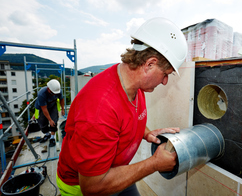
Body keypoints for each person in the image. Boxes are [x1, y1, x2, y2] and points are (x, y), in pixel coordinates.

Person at [56, 17, 188, 195]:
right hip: (86, 185)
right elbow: (93, 186)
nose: (165, 82)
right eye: (165, 74)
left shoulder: (135, 85)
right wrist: (154, 164)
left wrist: (147, 133)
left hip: (116, 171)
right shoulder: (99, 108)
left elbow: (128, 118)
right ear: (150, 64)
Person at [35, 79, 65, 147]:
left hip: (53, 105)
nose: (54, 94)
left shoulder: (58, 91)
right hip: (43, 107)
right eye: (52, 93)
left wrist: (62, 109)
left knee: (54, 121)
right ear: (48, 89)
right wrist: (49, 120)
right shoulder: (42, 94)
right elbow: (44, 109)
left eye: (55, 93)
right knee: (42, 122)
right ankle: (47, 134)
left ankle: (52, 137)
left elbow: (61, 99)